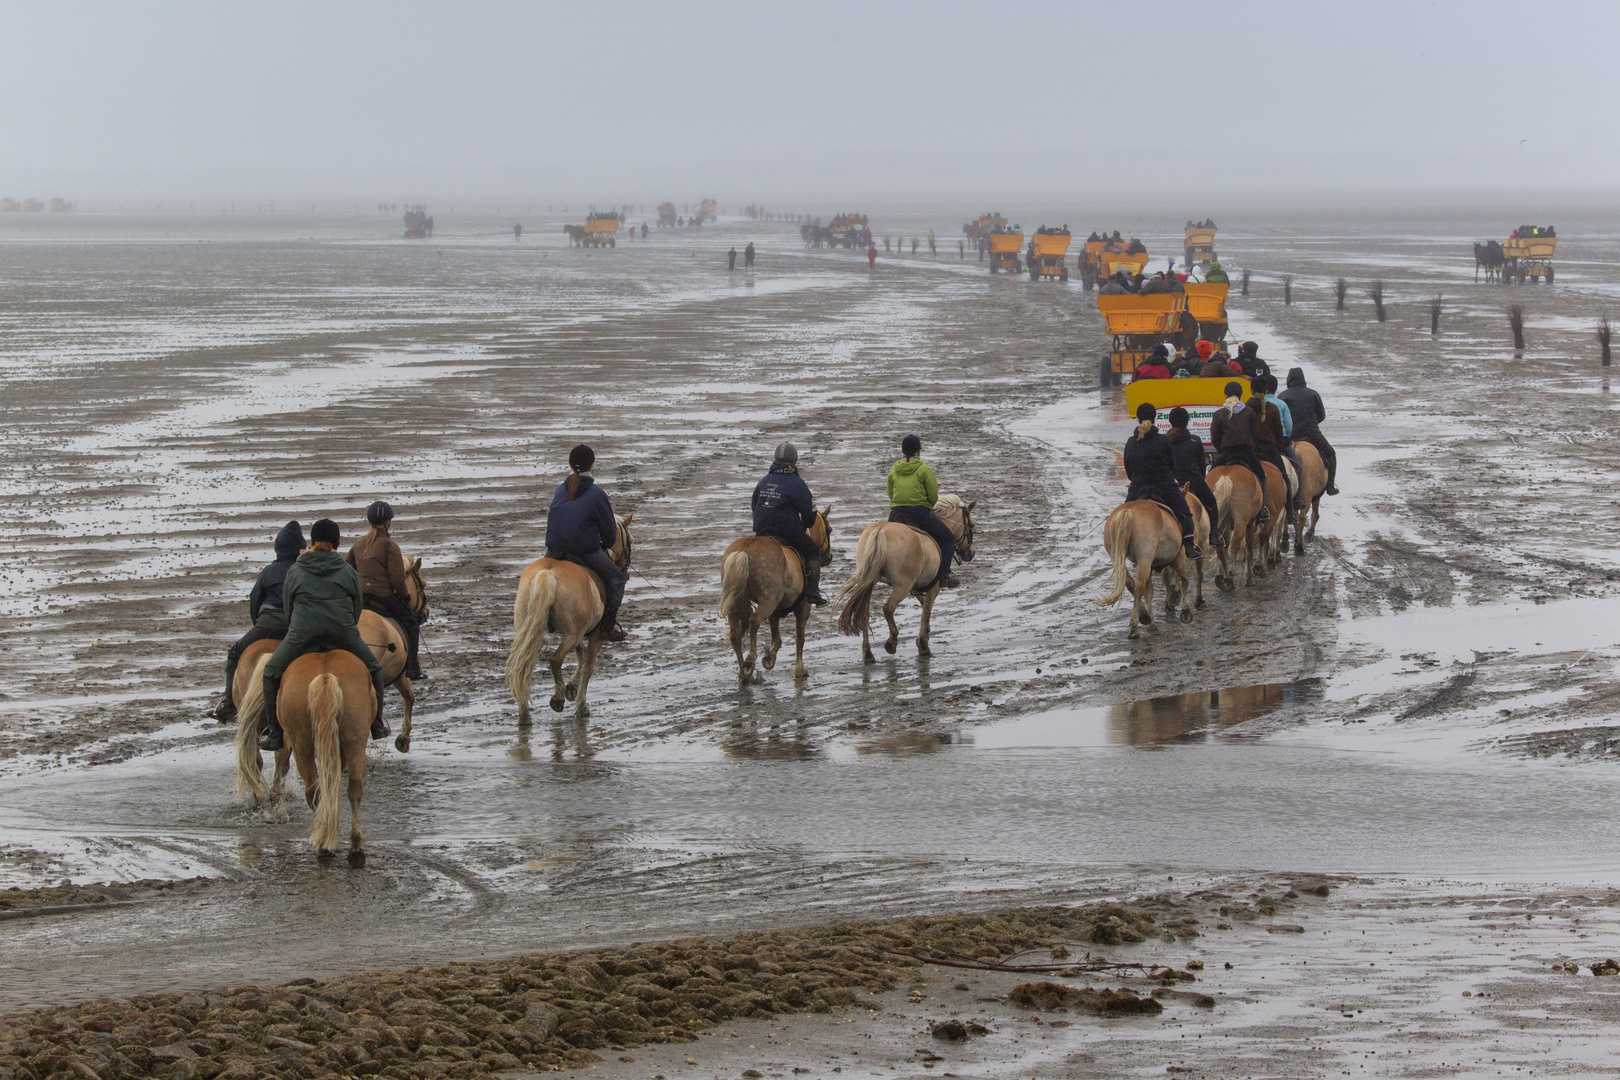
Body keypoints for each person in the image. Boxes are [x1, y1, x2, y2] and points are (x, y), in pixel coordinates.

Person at [259, 519, 386, 752]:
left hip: (302, 636)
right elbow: (357, 607)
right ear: (337, 543)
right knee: (375, 667)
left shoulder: (296, 570)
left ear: (311, 541)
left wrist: (299, 628)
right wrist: (345, 626)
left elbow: (289, 608)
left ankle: (275, 734)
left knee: (270, 672)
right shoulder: (348, 571)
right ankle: (377, 725)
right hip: (343, 634)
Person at [212, 520, 304, 721]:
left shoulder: (268, 571)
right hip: (295, 626)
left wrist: (259, 625)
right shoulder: (303, 571)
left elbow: (255, 600)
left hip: (266, 625)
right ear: (301, 548)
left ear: (278, 548)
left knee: (235, 653)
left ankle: (229, 703)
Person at [545, 444, 628, 642]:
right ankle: (607, 628)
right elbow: (609, 534)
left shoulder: (560, 489)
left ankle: (547, 620)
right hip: (583, 551)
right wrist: (605, 543)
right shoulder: (597, 494)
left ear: (571, 465)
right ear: (592, 466)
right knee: (617, 579)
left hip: (553, 549)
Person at [346, 500, 422, 679]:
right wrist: (404, 596)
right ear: (388, 522)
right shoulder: (390, 546)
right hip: (383, 597)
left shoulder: (357, 546)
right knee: (411, 622)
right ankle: (413, 667)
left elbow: (347, 571)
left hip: (361, 598)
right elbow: (396, 578)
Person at [1123, 404, 1202, 560]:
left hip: (1138, 486)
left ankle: (1123, 546)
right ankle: (1189, 545)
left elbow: (1128, 470)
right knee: (1185, 514)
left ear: (1138, 419)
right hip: (1164, 485)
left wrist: (1138, 479)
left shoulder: (1131, 442)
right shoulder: (1163, 440)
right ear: (1154, 419)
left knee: (1124, 515)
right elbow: (1172, 466)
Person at [751, 442, 826, 605]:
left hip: (762, 530)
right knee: (813, 550)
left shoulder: (763, 481)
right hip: (787, 531)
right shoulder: (797, 483)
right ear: (795, 461)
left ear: (775, 459)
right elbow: (810, 513)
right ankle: (812, 592)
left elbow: (754, 505)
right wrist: (804, 525)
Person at [888, 434, 958, 590]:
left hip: (896, 513)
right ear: (918, 451)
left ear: (903, 451)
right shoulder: (924, 469)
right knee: (948, 539)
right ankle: (944, 575)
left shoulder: (894, 468)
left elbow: (890, 492)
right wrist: (927, 506)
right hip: (918, 512)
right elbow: (933, 495)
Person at [1209, 381, 1270, 521]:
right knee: (1262, 476)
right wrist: (1250, 448)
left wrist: (1222, 450)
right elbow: (1255, 435)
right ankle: (1261, 509)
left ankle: (1208, 508)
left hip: (1227, 453)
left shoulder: (1219, 414)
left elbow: (1215, 437)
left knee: (1210, 476)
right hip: (1246, 452)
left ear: (1225, 395)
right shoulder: (1248, 412)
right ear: (1241, 395)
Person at [1165, 407, 1223, 548]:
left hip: (1172, 483)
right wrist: (1199, 479)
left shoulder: (1165, 441)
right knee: (1211, 504)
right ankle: (1214, 535)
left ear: (1170, 422)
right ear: (1187, 422)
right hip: (1193, 482)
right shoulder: (1195, 441)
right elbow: (1202, 466)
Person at [1278, 367, 1339, 495]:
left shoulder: (1282, 396)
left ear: (1289, 380)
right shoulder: (1313, 394)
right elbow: (1321, 416)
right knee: (1330, 453)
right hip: (1312, 434)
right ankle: (1330, 486)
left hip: (1290, 435)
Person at [1248, 381, 1297, 524]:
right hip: (1270, 449)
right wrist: (1279, 446)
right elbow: (1279, 432)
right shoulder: (1273, 408)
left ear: (1251, 390)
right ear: (1266, 391)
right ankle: (1290, 512)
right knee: (1284, 478)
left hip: (1252, 450)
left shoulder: (1246, 408)